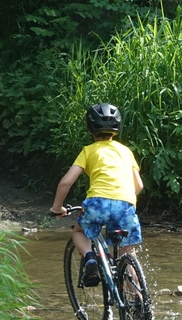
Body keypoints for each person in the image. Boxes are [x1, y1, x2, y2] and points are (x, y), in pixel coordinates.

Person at [50, 103, 143, 285]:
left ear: (89, 128)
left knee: (78, 232)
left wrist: (57, 207)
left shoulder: (88, 151)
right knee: (128, 252)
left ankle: (90, 257)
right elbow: (138, 186)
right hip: (125, 204)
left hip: (97, 203)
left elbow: (66, 182)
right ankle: (140, 302)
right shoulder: (125, 151)